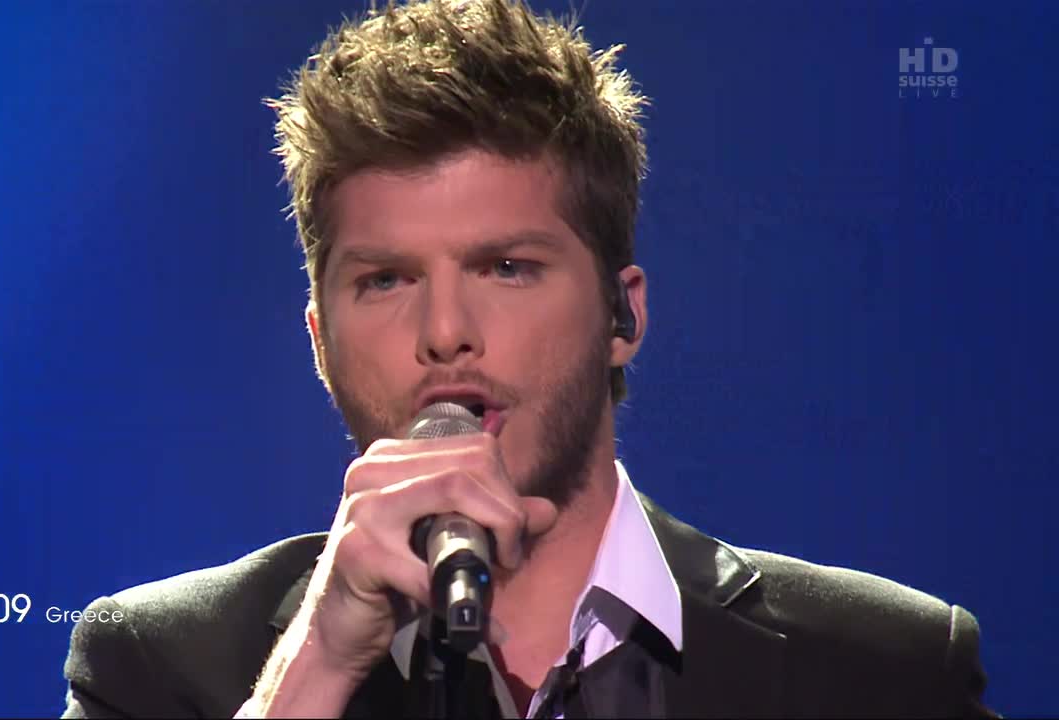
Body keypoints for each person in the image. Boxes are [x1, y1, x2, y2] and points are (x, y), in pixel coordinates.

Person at [60, 1, 996, 717]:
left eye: (507, 267)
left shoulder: (885, 670)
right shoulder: (159, 666)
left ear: (622, 315)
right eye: (385, 280)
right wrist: (318, 667)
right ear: (320, 343)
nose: (445, 331)